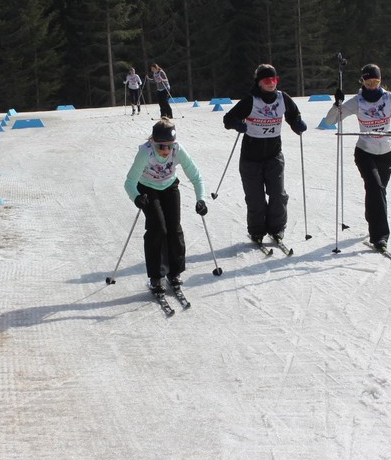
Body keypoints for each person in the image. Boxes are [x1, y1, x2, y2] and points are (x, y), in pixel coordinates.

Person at [325, 64, 391, 252]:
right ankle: (379, 237)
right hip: (365, 152)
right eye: (368, 82)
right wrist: (336, 104)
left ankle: (372, 218)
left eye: (376, 82)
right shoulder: (357, 102)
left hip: (386, 154)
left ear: (380, 81)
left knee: (378, 192)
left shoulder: (389, 98)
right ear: (362, 81)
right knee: (375, 188)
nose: (372, 86)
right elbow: (330, 121)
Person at [222, 64, 307, 244]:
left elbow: (293, 115)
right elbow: (228, 119)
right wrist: (237, 124)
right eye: (267, 80)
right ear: (259, 82)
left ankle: (277, 228)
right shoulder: (251, 100)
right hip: (251, 158)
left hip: (274, 156)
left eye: (274, 79)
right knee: (256, 199)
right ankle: (257, 230)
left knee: (278, 194)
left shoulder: (283, 98)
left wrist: (297, 124)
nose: (271, 83)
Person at [124, 118, 206, 296]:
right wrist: (136, 198)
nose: (166, 150)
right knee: (158, 228)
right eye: (161, 146)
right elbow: (129, 182)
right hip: (147, 189)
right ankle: (156, 276)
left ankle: (174, 272)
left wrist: (201, 199)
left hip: (169, 186)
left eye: (169, 145)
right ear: (153, 142)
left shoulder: (178, 149)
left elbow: (196, 176)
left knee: (174, 228)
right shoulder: (146, 152)